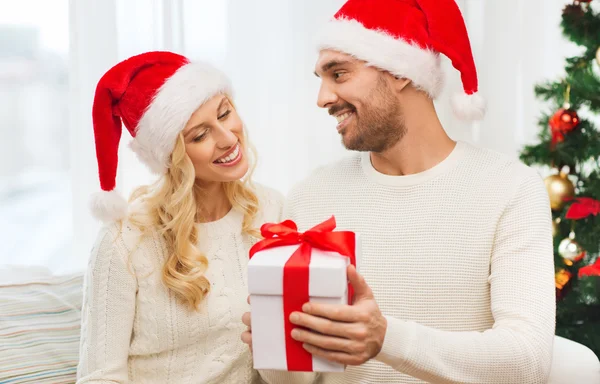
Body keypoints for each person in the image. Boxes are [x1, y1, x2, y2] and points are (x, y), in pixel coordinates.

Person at [242, 0, 559, 383]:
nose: (322, 98)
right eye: (321, 79)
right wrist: (276, 346)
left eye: (339, 74)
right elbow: (300, 380)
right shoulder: (312, 195)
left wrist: (386, 338)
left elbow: (527, 362)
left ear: (400, 73)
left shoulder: (509, 189)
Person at [77, 51, 283, 384]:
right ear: (171, 156)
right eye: (200, 136)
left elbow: (290, 370)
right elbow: (101, 376)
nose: (229, 138)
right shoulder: (125, 241)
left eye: (225, 114)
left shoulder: (272, 211)